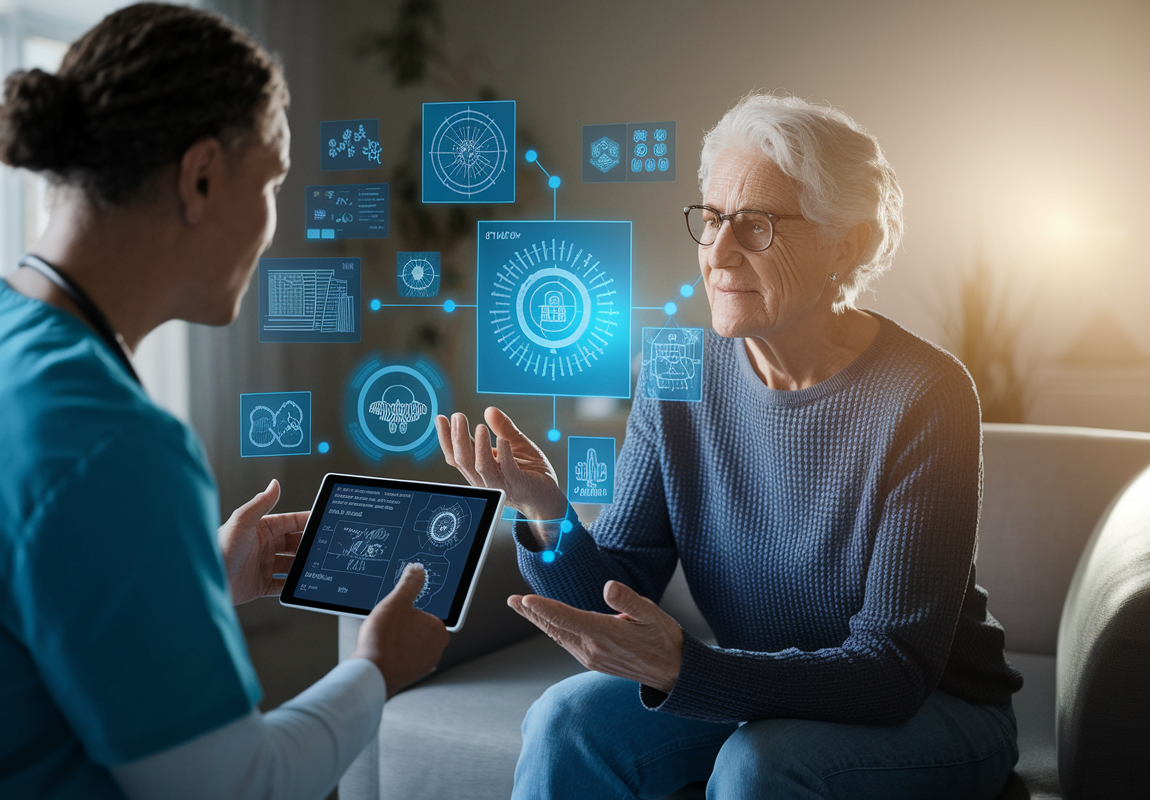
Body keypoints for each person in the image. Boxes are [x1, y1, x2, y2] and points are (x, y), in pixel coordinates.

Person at [0, 5, 448, 798]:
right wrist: (377, 671)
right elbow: (236, 788)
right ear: (201, 176)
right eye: (274, 180)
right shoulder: (117, 446)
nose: (274, 223)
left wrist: (194, 576)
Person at [436, 93, 1024, 799]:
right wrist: (543, 511)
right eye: (712, 218)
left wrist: (691, 670)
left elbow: (892, 671)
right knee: (565, 719)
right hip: (764, 680)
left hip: (935, 708)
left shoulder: (925, 393)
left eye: (757, 225)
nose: (716, 251)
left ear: (850, 243)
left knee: (761, 764)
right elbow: (619, 585)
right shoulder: (677, 366)